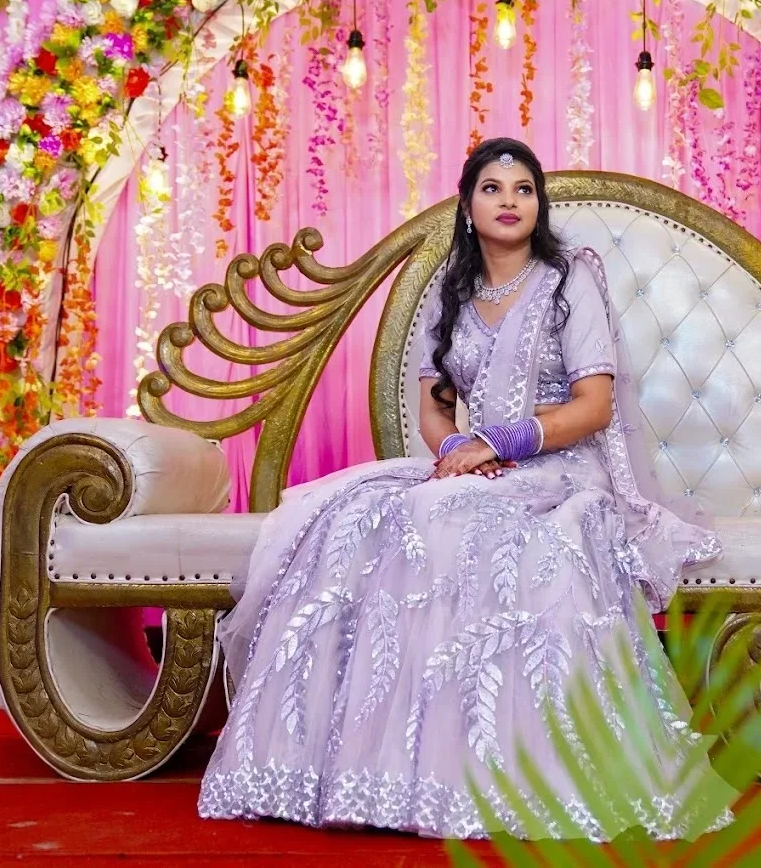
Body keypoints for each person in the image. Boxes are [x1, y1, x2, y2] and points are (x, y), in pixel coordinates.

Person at [199, 138, 724, 839]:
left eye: (524, 189)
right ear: (468, 207)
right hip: (477, 466)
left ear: (539, 206)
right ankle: (370, 771)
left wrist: (500, 442)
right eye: (492, 188)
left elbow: (595, 407)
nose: (509, 201)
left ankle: (508, 777)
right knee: (361, 516)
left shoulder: (569, 281)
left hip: (560, 466)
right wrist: (454, 450)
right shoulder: (452, 293)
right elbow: (434, 408)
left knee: (452, 517)